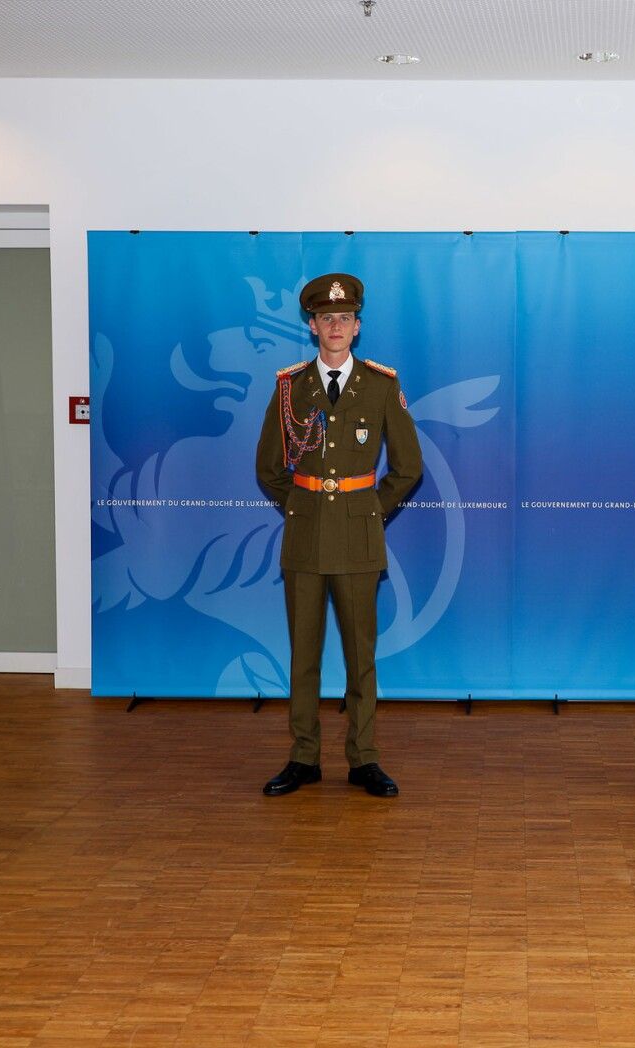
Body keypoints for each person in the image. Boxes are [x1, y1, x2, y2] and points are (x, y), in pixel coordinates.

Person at [255, 273, 423, 798]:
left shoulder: (380, 385)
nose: (335, 326)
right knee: (303, 657)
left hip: (357, 540)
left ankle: (364, 758)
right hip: (305, 540)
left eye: (345, 318)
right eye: (326, 318)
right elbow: (268, 468)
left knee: (360, 657)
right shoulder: (290, 387)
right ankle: (303, 756)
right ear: (312, 326)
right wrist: (300, 507)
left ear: (357, 327)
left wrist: (370, 511)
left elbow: (408, 467)